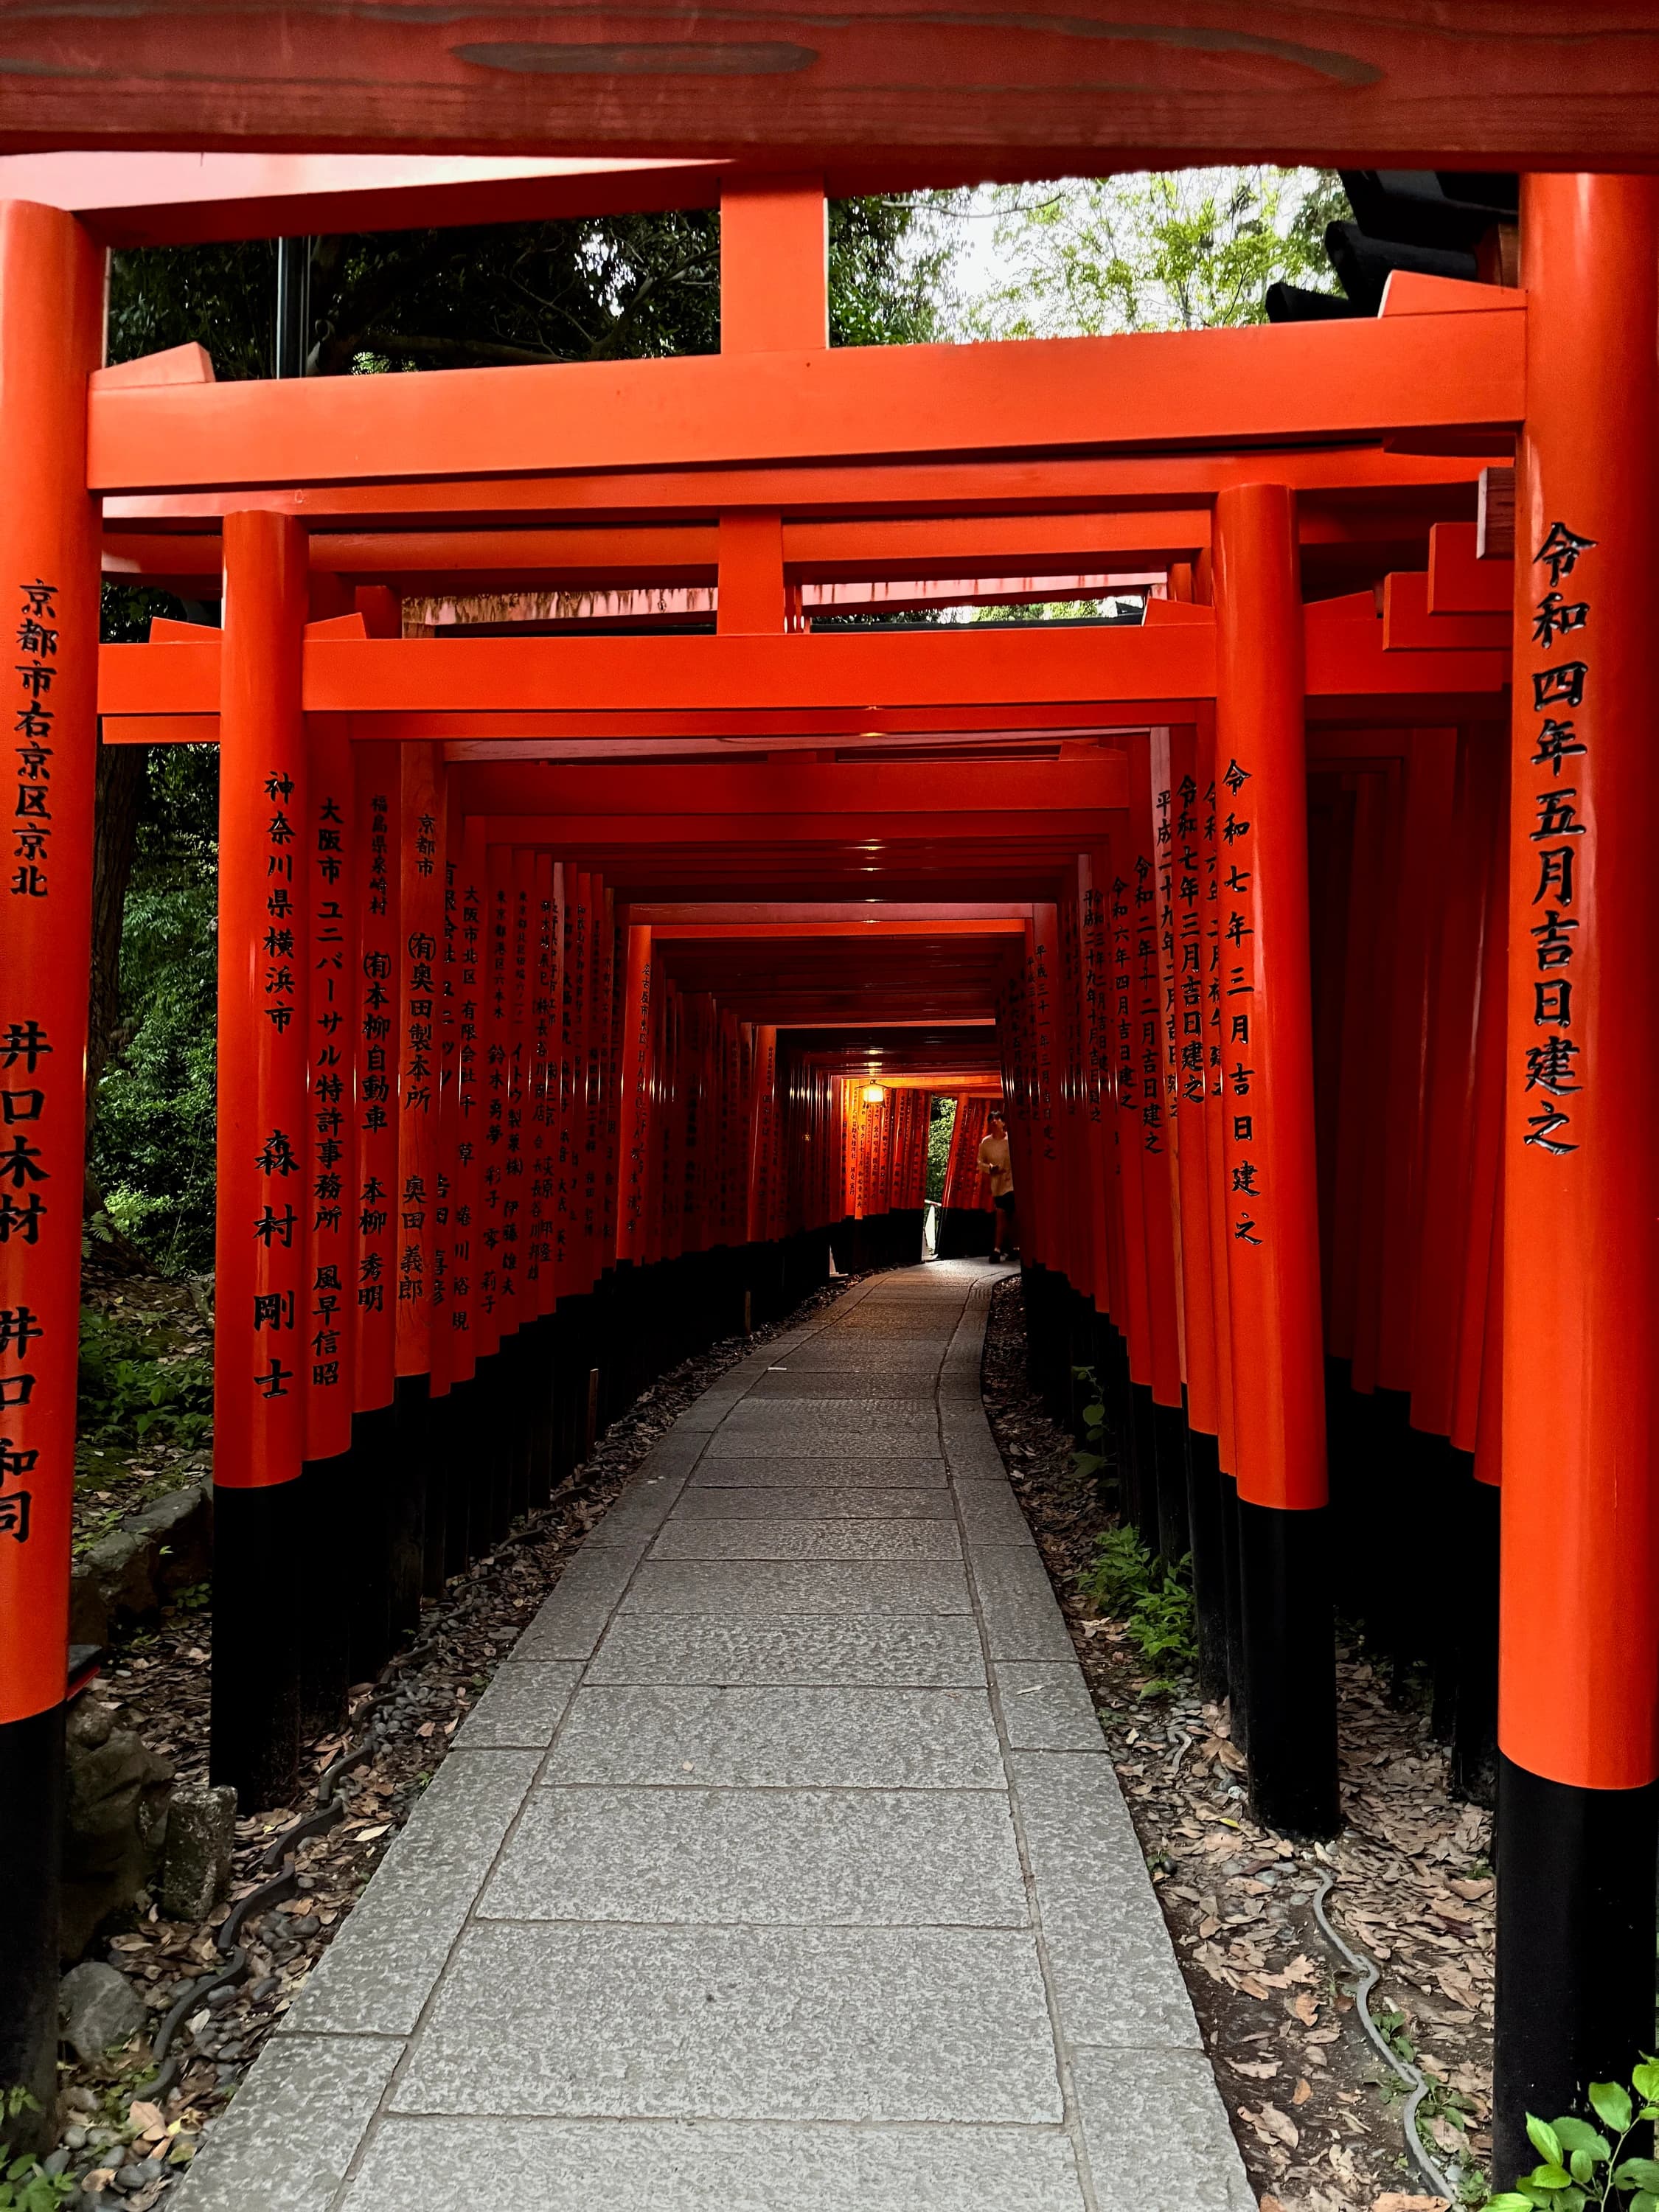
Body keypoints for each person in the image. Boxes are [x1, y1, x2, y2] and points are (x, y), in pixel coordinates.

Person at [977, 1111, 1018, 1262]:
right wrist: (990, 1168)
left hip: (1012, 1183)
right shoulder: (986, 1143)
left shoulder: (1011, 1140)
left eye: (997, 1119)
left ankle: (1000, 1248)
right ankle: (1008, 1248)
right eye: (991, 1119)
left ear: (1004, 1123)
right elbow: (980, 1162)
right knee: (1003, 1215)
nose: (994, 1122)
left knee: (1008, 1215)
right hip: (997, 1184)